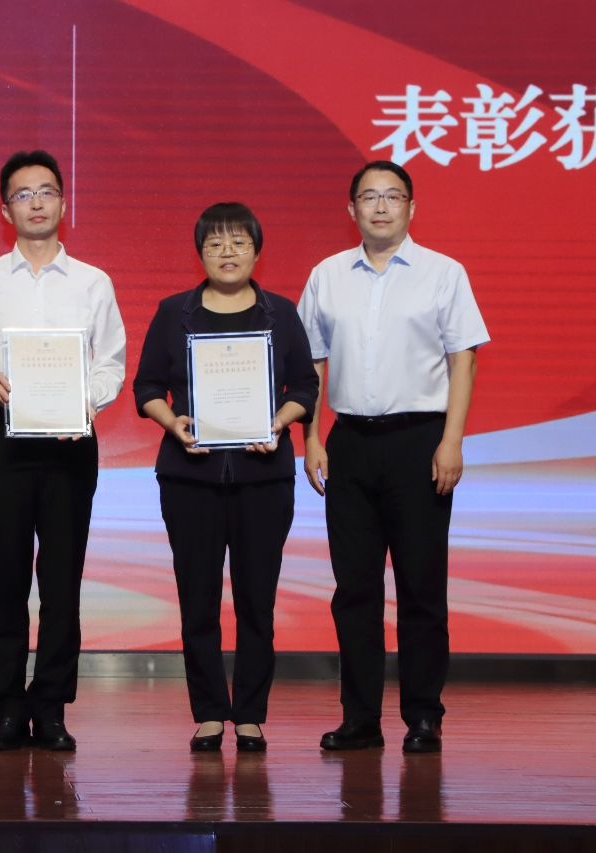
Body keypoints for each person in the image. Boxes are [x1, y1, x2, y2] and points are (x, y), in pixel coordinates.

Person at [297, 161, 489, 754]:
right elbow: (311, 364)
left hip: (420, 442)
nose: (381, 207)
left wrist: (452, 440)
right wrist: (312, 437)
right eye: (369, 197)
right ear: (351, 209)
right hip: (350, 442)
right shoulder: (327, 275)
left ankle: (424, 715)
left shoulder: (443, 273)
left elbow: (463, 359)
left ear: (412, 207)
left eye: (393, 197)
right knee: (354, 589)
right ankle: (359, 718)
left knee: (421, 587)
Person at [0, 150, 126, 752]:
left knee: (63, 580)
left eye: (46, 191)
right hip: (2, 439)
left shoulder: (93, 282)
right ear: (5, 210)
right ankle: (6, 709)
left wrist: (85, 402)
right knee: (6, 576)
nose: (37, 203)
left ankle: (51, 708)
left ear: (63, 203)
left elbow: (111, 363)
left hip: (70, 441)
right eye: (23, 194)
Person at [133, 202, 318, 752]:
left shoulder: (281, 314)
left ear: (257, 251)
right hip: (190, 478)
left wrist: (278, 423)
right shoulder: (174, 313)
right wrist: (173, 423)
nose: (227, 252)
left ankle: (251, 714)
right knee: (198, 600)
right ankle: (210, 712)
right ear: (200, 254)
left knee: (258, 600)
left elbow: (305, 388)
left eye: (238, 242)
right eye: (215, 244)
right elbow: (147, 387)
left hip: (264, 479)